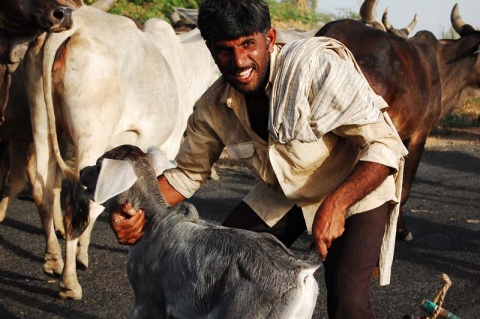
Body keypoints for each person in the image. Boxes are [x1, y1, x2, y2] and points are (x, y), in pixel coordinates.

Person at [110, 0, 408, 318]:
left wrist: (336, 205)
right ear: (209, 48)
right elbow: (185, 175)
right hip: (283, 192)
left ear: (270, 37)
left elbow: (384, 145)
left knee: (347, 305)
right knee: (219, 264)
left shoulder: (314, 69)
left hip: (354, 189)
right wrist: (137, 212)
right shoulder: (213, 106)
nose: (239, 61)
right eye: (224, 49)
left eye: (248, 44)